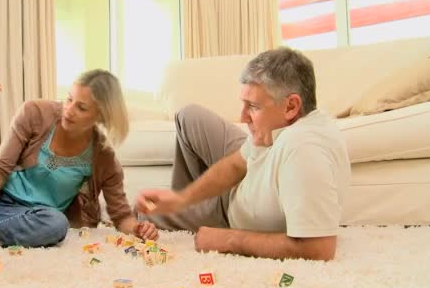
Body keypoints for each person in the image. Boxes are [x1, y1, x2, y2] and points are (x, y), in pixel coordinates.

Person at [136, 47, 350, 261]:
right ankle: (188, 204)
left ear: (291, 106)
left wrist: (228, 239)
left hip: (231, 213)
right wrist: (181, 198)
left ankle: (192, 212)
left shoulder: (303, 150)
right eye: (244, 104)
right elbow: (236, 165)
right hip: (251, 178)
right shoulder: (280, 127)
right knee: (188, 116)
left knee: (144, 213)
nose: (242, 117)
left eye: (253, 107)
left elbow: (319, 249)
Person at [0, 69, 158, 249]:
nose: (69, 110)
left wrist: (139, 229)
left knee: (56, 225)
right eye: (69, 99)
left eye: (82, 107)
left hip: (33, 218)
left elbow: (121, 216)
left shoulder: (103, 156)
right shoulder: (35, 112)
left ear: (101, 115)